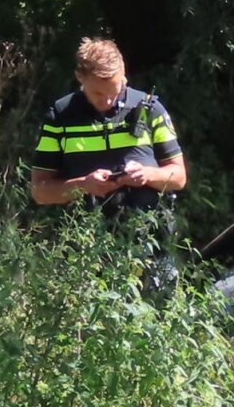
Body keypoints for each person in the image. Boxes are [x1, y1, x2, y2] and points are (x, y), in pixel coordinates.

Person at [28, 37, 187, 275]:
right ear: (80, 78)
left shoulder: (150, 108)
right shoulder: (60, 117)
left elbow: (178, 176)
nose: (108, 100)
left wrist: (147, 174)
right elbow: (40, 191)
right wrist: (84, 185)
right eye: (98, 93)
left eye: (114, 90)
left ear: (124, 75)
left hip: (151, 252)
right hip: (85, 255)